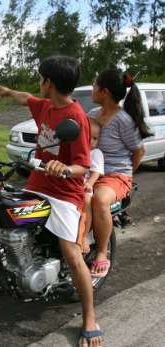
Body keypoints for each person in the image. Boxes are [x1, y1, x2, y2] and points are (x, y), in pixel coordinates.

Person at [0, 56, 102, 347]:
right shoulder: (44, 105)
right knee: (1, 215)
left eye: (41, 78)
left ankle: (90, 317)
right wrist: (8, 93)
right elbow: (25, 98)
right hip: (36, 183)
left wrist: (64, 168)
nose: (38, 83)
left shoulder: (76, 118)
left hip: (64, 193)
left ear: (50, 83)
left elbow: (84, 164)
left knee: (71, 253)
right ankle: (7, 270)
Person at [89, 70, 149, 278]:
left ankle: (102, 253)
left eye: (95, 85)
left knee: (99, 199)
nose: (92, 88)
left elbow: (139, 151)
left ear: (104, 92)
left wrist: (127, 175)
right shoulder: (91, 115)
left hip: (116, 176)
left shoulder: (123, 120)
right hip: (91, 172)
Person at [82, 119, 104, 253]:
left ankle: (85, 236)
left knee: (86, 201)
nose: (92, 142)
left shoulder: (95, 153)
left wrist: (89, 183)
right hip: (71, 185)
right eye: (89, 137)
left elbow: (96, 172)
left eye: (95, 138)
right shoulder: (76, 151)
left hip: (85, 187)